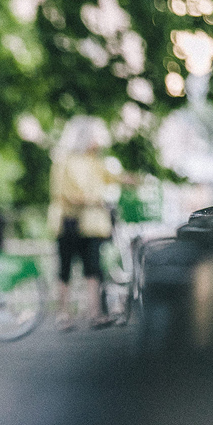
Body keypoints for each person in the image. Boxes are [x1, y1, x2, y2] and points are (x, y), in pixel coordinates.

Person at [47, 116, 122, 330]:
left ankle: (95, 313)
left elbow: (113, 178)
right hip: (69, 222)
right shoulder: (64, 161)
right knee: (65, 269)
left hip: (92, 225)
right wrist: (93, 201)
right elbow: (64, 194)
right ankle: (63, 314)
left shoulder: (95, 162)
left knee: (93, 268)